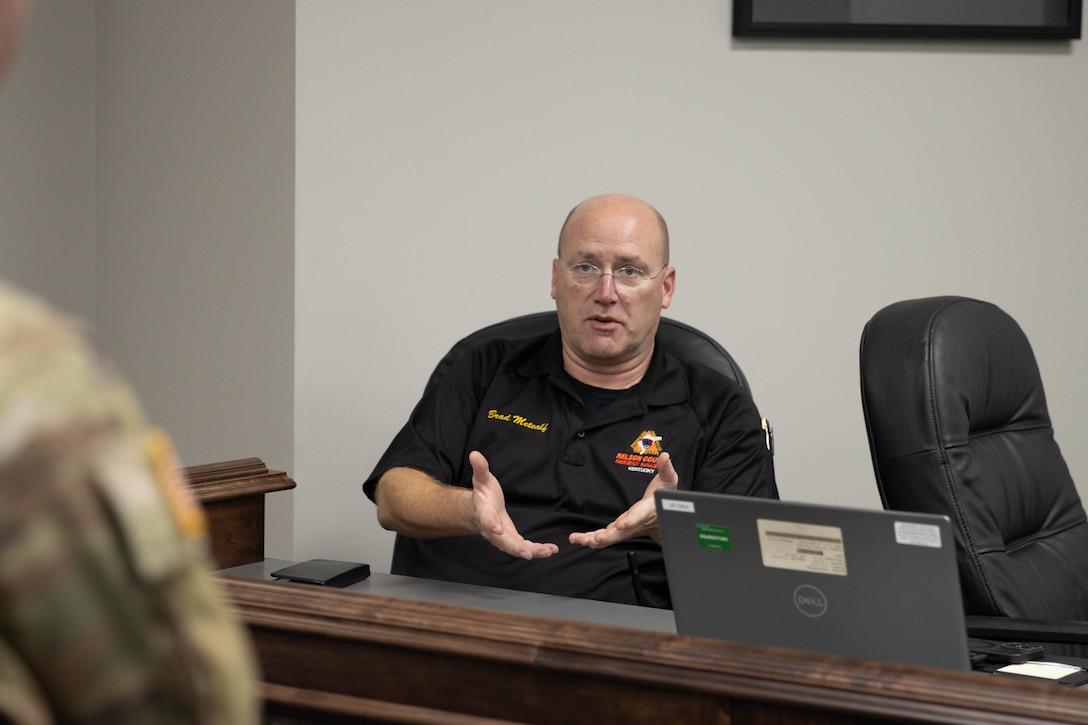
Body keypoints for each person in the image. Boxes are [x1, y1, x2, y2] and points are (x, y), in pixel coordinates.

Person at [0, 3, 259, 722]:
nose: (606, 290)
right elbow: (186, 699)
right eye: (585, 265)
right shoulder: (28, 380)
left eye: (613, 267)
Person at [363, 193, 777, 608]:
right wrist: (468, 510)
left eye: (630, 271)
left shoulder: (719, 407)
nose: (605, 292)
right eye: (585, 267)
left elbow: (753, 566)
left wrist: (668, 525)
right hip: (455, 625)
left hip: (619, 647)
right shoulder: (484, 368)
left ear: (665, 288)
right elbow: (395, 495)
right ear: (556, 279)